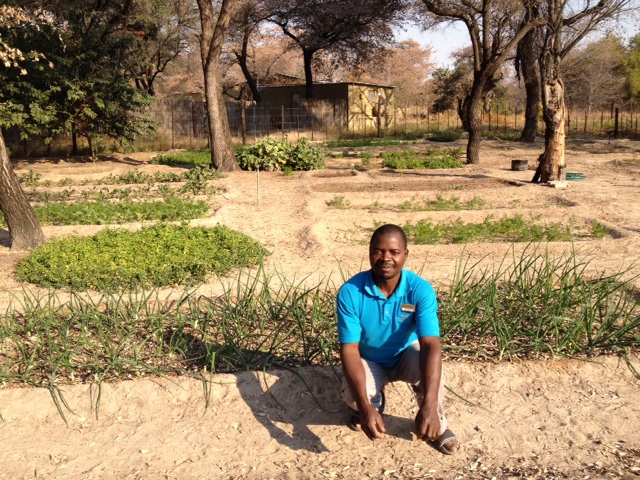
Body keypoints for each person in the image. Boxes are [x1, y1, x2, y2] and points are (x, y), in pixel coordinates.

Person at [336, 224, 460, 455]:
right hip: (369, 359)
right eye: (378, 251)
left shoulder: (419, 290)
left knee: (433, 374)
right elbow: (350, 349)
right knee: (354, 396)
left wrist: (430, 404)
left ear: (405, 255)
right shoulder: (351, 292)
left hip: (405, 353)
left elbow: (430, 343)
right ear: (369, 253)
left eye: (394, 252)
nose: (386, 258)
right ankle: (371, 407)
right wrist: (364, 407)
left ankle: (436, 424)